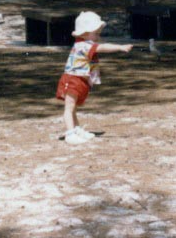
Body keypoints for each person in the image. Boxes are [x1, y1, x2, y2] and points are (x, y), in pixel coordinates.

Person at [56, 11, 133, 145]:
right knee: (69, 108)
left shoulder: (83, 44)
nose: (98, 36)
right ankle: (70, 133)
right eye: (96, 33)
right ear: (85, 33)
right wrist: (120, 47)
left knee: (73, 108)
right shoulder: (84, 45)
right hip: (73, 79)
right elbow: (102, 47)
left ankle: (76, 129)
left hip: (79, 79)